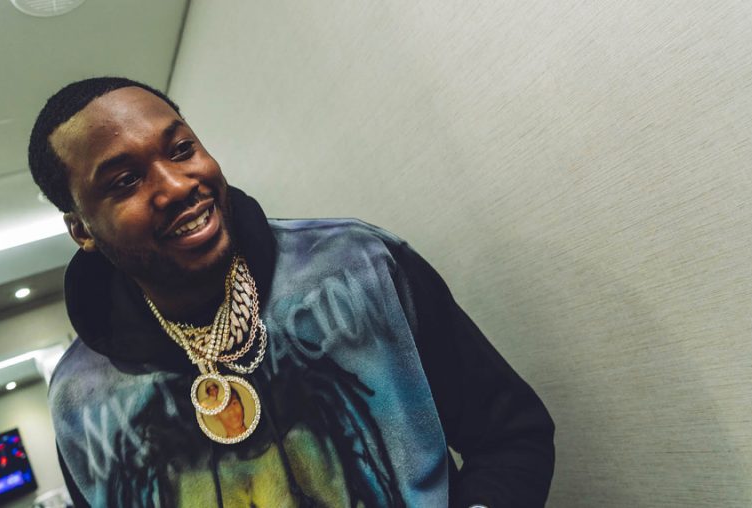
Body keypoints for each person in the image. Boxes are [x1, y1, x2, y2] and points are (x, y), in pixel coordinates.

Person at [29, 77, 555, 507]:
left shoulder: (360, 263)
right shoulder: (79, 399)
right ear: (81, 230)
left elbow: (510, 436)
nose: (177, 185)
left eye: (182, 150)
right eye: (125, 181)